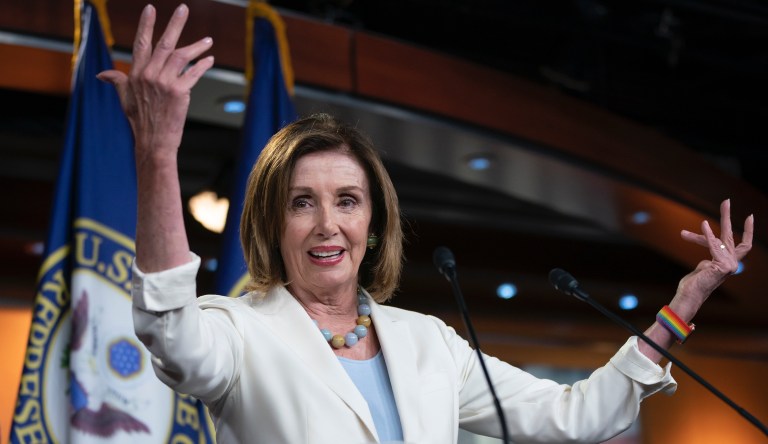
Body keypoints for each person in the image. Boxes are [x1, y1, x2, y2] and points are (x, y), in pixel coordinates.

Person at [98, 4, 754, 444]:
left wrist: (683, 305)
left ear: (373, 222)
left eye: (347, 201)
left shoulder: (429, 344)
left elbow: (574, 415)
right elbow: (168, 328)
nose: (327, 224)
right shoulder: (237, 332)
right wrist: (157, 151)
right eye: (301, 203)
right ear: (271, 225)